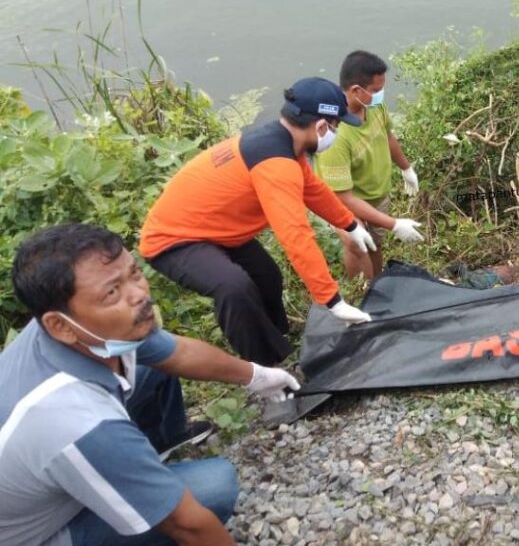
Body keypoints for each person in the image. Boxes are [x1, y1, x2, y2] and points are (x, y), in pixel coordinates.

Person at [0, 223, 300, 546]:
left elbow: (179, 353)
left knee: (152, 366)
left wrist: (257, 375)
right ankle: (133, 474)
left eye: (134, 274)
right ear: (59, 325)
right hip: (38, 533)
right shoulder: (80, 423)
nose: (139, 295)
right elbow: (189, 526)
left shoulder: (82, 330)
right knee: (215, 487)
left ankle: (157, 452)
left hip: (46, 470)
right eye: (112, 292)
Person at [140, 77, 377, 367]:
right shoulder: (276, 165)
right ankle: (263, 371)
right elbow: (296, 237)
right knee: (234, 286)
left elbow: (312, 189)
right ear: (320, 126)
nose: (335, 133)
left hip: (218, 231)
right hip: (174, 239)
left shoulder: (284, 143)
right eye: (336, 126)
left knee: (267, 276)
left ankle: (279, 344)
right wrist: (333, 301)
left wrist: (350, 225)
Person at [314, 50, 424, 281]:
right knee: (357, 244)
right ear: (356, 90)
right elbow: (343, 197)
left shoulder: (373, 107)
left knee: (375, 245)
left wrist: (406, 168)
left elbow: (388, 135)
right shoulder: (336, 135)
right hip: (344, 200)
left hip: (376, 193)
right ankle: (360, 292)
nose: (380, 95)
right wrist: (395, 224)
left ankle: (377, 284)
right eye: (375, 90)